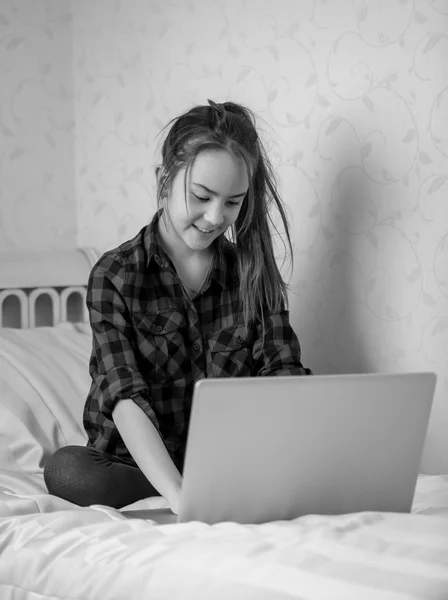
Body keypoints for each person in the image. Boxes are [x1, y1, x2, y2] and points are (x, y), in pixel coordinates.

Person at [44, 100, 312, 513]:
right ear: (164, 178)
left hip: (226, 461)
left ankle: (220, 483)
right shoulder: (116, 274)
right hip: (135, 463)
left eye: (233, 202)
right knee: (68, 470)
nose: (213, 217)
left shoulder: (252, 273)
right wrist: (178, 495)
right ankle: (178, 486)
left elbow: (283, 373)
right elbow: (124, 396)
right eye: (201, 196)